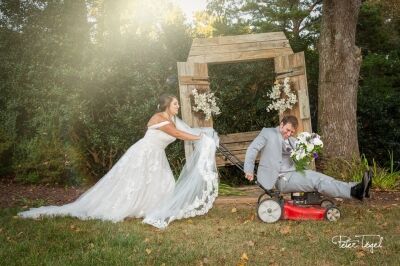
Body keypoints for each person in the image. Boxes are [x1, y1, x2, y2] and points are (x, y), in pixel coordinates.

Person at [19, 94, 219, 228]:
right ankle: (120, 207)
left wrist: (204, 133)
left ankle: (148, 208)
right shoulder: (159, 118)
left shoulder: (173, 119)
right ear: (167, 104)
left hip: (157, 155)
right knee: (132, 183)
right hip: (144, 153)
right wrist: (200, 138)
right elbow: (177, 134)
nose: (178, 106)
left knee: (164, 183)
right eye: (175, 103)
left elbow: (184, 131)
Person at [244, 115, 372, 200]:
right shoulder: (268, 133)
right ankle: (354, 192)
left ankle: (356, 187)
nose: (288, 134)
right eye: (287, 130)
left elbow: (300, 156)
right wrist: (248, 169)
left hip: (295, 173)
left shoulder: (292, 140)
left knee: (322, 177)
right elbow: (252, 149)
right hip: (281, 178)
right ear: (281, 124)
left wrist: (308, 152)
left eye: (292, 132)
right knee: (317, 181)